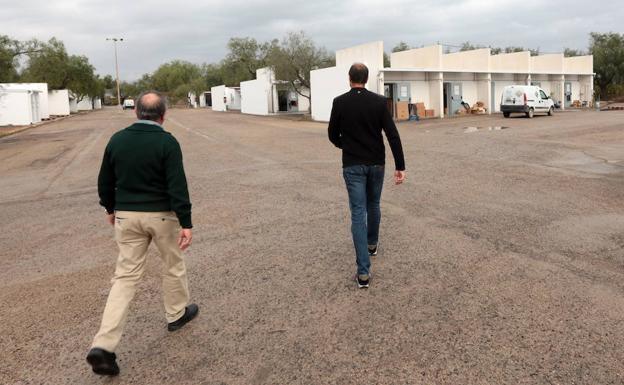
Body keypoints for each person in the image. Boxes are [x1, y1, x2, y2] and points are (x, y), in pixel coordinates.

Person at [87, 91, 198, 376]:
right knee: (172, 265)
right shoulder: (167, 142)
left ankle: (104, 345)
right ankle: (176, 314)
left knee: (124, 277)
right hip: (162, 216)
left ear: (135, 112)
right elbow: (177, 185)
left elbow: (105, 181)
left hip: (127, 216)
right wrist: (186, 222)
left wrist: (110, 208)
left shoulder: (117, 140)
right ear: (164, 115)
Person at [328, 63, 406, 289]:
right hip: (376, 164)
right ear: (367, 78)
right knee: (374, 204)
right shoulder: (379, 102)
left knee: (357, 212)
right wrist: (400, 166)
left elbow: (332, 134)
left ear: (349, 78)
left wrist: (347, 145)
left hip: (352, 164)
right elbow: (392, 135)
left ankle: (363, 273)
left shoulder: (340, 102)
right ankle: (372, 244)